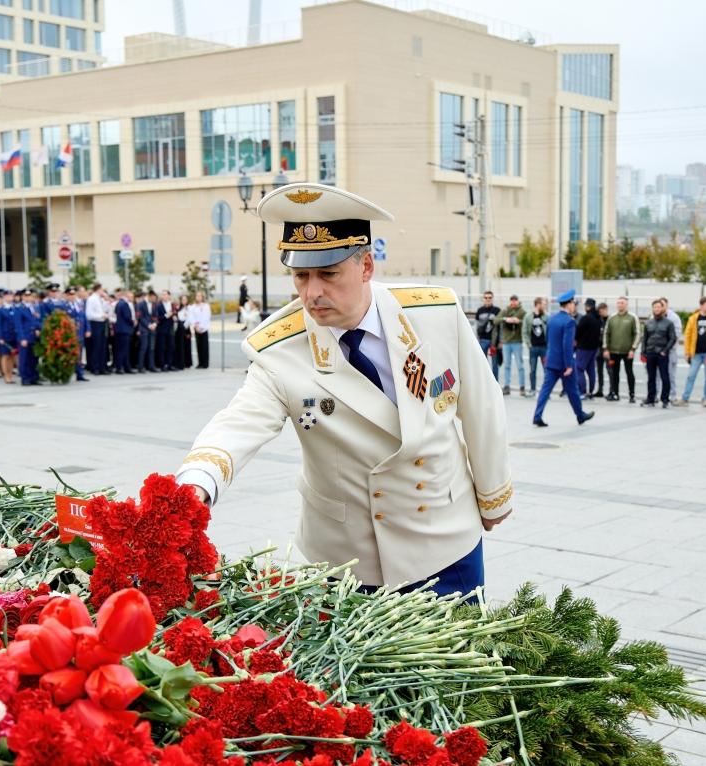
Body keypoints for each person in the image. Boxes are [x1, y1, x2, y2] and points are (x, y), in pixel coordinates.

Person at [176, 182, 512, 597]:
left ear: (366, 266)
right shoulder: (279, 349)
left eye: (329, 274)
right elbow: (238, 423)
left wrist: (494, 495)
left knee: (459, 657)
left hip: (444, 539)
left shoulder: (434, 313)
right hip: (350, 559)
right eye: (301, 276)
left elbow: (481, 404)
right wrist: (196, 484)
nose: (312, 293)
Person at [532, 291, 595, 428]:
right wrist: (568, 365)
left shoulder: (552, 319)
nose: (575, 307)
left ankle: (537, 416)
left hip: (551, 361)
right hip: (564, 363)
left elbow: (548, 340)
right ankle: (580, 416)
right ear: (569, 304)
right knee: (573, 391)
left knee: (545, 390)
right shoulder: (569, 321)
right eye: (574, 304)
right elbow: (567, 345)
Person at [675, 296, 706, 407]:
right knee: (691, 375)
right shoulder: (693, 318)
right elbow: (688, 336)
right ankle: (685, 398)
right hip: (695, 353)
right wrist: (687, 353)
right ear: (701, 305)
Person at [639, 299, 677, 407]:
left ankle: (665, 399)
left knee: (665, 377)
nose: (656, 309)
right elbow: (644, 338)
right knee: (651, 378)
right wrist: (643, 352)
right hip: (650, 353)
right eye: (654, 307)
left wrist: (665, 350)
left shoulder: (669, 323)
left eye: (658, 307)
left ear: (662, 308)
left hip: (662, 354)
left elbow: (672, 338)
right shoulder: (648, 323)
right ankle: (650, 398)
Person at [603, 296, 639, 402]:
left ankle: (632, 395)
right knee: (614, 373)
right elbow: (606, 333)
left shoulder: (632, 317)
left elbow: (637, 333)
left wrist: (633, 349)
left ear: (626, 304)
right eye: (618, 303)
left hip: (627, 352)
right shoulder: (612, 317)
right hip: (613, 351)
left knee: (629, 373)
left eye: (622, 303)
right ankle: (615, 394)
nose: (620, 305)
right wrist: (605, 348)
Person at [494, 295, 526, 396]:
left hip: (517, 341)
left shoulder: (522, 311)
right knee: (507, 365)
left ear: (518, 301)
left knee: (520, 365)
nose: (513, 303)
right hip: (507, 342)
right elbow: (495, 320)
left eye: (515, 301)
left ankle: (522, 387)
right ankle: (506, 386)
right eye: (512, 301)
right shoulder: (505, 310)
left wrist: (518, 321)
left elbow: (527, 322)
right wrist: (505, 319)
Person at [574, 298, 602, 399]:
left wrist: (575, 339)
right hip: (594, 348)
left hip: (583, 347)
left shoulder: (586, 318)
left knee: (579, 369)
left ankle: (582, 391)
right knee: (591, 370)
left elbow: (578, 331)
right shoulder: (598, 318)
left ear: (588, 306)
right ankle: (591, 392)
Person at [17, 289, 42, 386]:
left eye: (30, 296)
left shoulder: (35, 307)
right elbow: (18, 325)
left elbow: (37, 320)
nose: (28, 298)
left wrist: (39, 329)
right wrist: (22, 338)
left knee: (34, 358)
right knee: (24, 358)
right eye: (26, 296)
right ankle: (25, 378)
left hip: (34, 336)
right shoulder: (19, 308)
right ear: (22, 297)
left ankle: (34, 377)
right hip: (25, 337)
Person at [0, 291, 19, 385]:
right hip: (5, 335)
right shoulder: (0, 310)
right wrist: (0, 337)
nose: (9, 298)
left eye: (11, 296)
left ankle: (10, 374)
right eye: (7, 296)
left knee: (12, 355)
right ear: (4, 297)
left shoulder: (15, 308)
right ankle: (6, 375)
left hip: (14, 335)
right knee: (5, 355)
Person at [474, 291, 501, 380]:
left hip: (494, 341)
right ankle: (484, 382)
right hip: (483, 340)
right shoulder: (480, 310)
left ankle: (495, 383)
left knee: (495, 364)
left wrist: (500, 341)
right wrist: (476, 340)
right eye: (486, 297)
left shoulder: (497, 310)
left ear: (492, 299)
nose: (488, 299)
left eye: (490, 297)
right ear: (483, 299)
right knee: (483, 364)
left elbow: (500, 327)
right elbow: (476, 325)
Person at [524, 297, 548, 394]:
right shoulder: (529, 316)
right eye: (543, 304)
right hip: (533, 348)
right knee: (532, 370)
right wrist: (528, 344)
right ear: (538, 304)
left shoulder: (546, 316)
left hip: (544, 348)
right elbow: (524, 331)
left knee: (546, 370)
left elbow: (549, 329)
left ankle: (546, 391)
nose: (545, 306)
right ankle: (532, 389)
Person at [85, 282, 108, 375]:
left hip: (102, 323)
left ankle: (102, 367)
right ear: (98, 289)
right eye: (102, 289)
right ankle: (95, 367)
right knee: (96, 346)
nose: (103, 292)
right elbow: (89, 314)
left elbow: (105, 310)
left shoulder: (100, 299)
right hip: (95, 323)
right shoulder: (91, 299)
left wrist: (106, 300)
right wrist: (100, 316)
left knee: (103, 346)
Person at [661, 297, 681, 393]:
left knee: (670, 374)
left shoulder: (674, 318)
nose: (660, 307)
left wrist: (666, 348)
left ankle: (672, 395)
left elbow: (676, 335)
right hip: (657, 351)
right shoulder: (653, 317)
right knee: (656, 375)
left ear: (667, 305)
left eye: (662, 305)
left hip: (670, 351)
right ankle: (656, 395)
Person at [113, 288, 135, 373]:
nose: (131, 298)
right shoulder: (124, 304)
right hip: (124, 329)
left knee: (121, 349)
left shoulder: (118, 303)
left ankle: (126, 366)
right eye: (129, 296)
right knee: (123, 349)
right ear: (125, 295)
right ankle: (120, 367)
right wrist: (132, 323)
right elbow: (127, 317)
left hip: (119, 329)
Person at [137, 291, 158, 372]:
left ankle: (151, 366)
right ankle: (140, 366)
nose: (154, 300)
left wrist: (155, 324)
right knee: (143, 348)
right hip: (144, 329)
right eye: (153, 298)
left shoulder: (154, 304)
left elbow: (155, 316)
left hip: (152, 329)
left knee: (151, 348)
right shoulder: (140, 304)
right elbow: (140, 317)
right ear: (149, 296)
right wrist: (148, 325)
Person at [190, 291, 212, 369]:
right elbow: (192, 316)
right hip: (196, 328)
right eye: (197, 296)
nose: (198, 297)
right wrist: (196, 326)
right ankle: (200, 363)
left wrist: (201, 327)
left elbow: (207, 317)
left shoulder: (206, 306)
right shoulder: (193, 307)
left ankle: (205, 363)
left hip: (204, 328)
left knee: (205, 347)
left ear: (202, 297)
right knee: (198, 346)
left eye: (200, 296)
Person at [156, 290, 176, 371]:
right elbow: (157, 317)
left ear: (169, 296)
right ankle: (162, 365)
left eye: (165, 294)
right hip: (161, 329)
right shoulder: (158, 305)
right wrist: (166, 315)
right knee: (162, 348)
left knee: (171, 347)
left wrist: (174, 317)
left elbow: (175, 313)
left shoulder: (172, 305)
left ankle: (170, 364)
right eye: (162, 294)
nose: (163, 296)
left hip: (170, 329)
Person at [176, 294, 193, 369]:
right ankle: (181, 363)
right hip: (180, 328)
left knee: (187, 345)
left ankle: (187, 362)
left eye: (185, 299)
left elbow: (190, 318)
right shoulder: (178, 308)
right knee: (181, 346)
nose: (184, 301)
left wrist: (186, 327)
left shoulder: (189, 308)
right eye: (182, 300)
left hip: (186, 327)